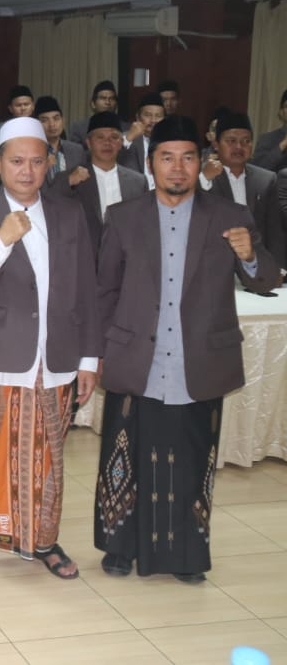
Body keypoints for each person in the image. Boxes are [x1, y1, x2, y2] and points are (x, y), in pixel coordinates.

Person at [94, 115, 277, 582]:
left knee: (193, 460)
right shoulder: (123, 216)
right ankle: (120, 547)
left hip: (199, 361)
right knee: (126, 455)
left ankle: (188, 556)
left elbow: (266, 279)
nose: (177, 168)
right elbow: (105, 291)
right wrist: (96, 354)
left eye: (188, 158)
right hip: (137, 357)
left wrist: (248, 254)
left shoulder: (231, 216)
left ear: (201, 161)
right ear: (150, 163)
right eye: (167, 158)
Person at [0, 117, 99, 582]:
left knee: (50, 453)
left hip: (58, 356)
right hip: (1, 356)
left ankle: (44, 540)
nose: (27, 171)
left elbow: (87, 288)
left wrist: (89, 358)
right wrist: (1, 240)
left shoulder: (69, 213)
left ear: (49, 163)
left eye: (36, 161)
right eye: (16, 161)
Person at [51, 111, 149, 250]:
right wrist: (68, 182)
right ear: (89, 143)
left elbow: (143, 224)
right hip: (84, 256)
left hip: (126, 256)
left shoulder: (138, 181)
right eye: (100, 137)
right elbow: (49, 203)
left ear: (121, 143)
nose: (107, 143)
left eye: (114, 137)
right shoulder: (71, 177)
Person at [200, 111, 287, 267]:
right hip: (213, 267)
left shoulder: (266, 179)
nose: (239, 147)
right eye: (231, 141)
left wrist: (279, 270)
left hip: (257, 268)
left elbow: (275, 233)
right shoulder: (203, 176)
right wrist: (204, 179)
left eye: (246, 141)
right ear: (216, 144)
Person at [33, 96, 87, 181]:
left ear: (63, 120)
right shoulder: (31, 152)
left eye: (56, 118)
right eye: (45, 120)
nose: (52, 124)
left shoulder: (77, 150)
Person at [119, 93, 166, 183]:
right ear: (138, 117)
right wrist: (128, 138)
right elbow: (108, 159)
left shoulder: (171, 141)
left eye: (158, 116)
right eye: (148, 115)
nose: (153, 120)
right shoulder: (126, 138)